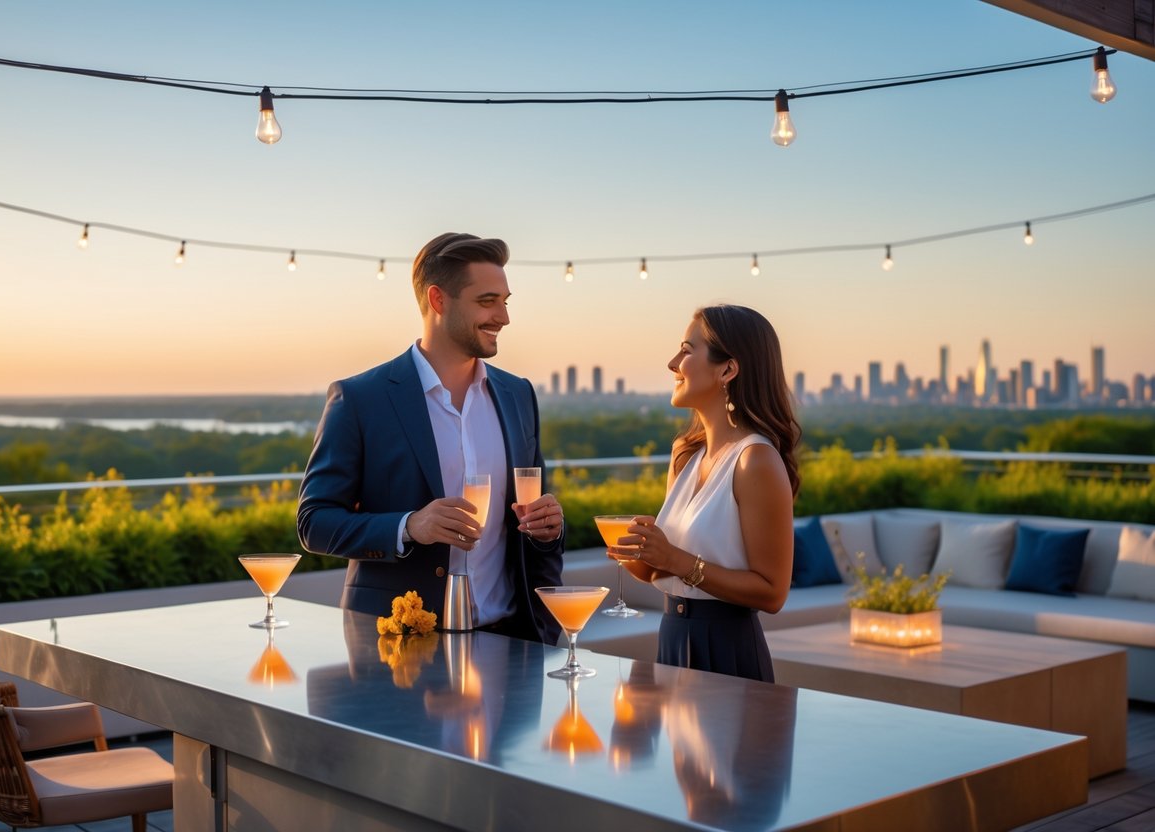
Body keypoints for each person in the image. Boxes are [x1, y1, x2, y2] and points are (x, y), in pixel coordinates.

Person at [298, 232, 565, 644]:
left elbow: (532, 526)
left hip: (513, 642)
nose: (503, 317)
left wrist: (547, 530)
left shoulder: (518, 395)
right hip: (397, 647)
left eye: (505, 302)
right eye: (487, 301)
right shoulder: (360, 399)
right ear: (438, 300)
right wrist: (409, 526)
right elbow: (314, 522)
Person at [611, 305, 800, 680]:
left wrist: (675, 558)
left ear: (727, 370)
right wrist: (640, 553)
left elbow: (772, 593)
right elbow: (664, 572)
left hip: (727, 650)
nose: (672, 363)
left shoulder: (754, 460)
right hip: (672, 638)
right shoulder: (685, 455)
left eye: (686, 350)